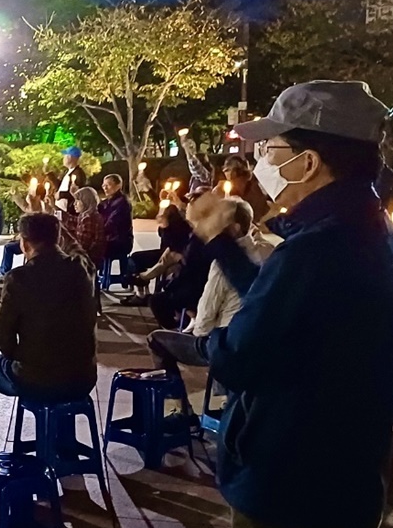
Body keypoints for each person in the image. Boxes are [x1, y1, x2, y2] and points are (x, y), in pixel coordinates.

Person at [186, 80, 393, 528]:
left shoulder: (316, 250)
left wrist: (210, 336)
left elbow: (241, 355)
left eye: (274, 149)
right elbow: (289, 314)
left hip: (288, 491)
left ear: (309, 161)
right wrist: (225, 245)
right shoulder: (369, 233)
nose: (265, 162)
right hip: (347, 483)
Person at [0, 213, 96, 457]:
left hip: (37, 378)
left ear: (24, 243)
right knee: (61, 360)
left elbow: (4, 337)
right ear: (57, 238)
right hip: (83, 377)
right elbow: (79, 251)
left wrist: (19, 358)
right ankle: (65, 447)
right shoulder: (82, 269)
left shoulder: (19, 278)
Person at [146, 197, 271, 409]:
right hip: (257, 343)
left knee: (156, 340)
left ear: (233, 228)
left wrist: (192, 332)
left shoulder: (224, 264)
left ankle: (180, 410)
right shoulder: (267, 250)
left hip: (228, 345)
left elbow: (204, 320)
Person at [61, 186, 107, 269]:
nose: (74, 204)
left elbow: (82, 245)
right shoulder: (86, 215)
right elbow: (72, 220)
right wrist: (53, 207)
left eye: (77, 201)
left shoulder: (89, 218)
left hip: (89, 258)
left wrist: (65, 235)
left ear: (86, 201)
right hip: (88, 255)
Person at [223, 154, 272, 222]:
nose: (225, 173)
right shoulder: (227, 189)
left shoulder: (256, 187)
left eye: (226, 170)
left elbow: (262, 209)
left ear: (234, 172)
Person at [97, 174, 134, 262]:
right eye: (103, 185)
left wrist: (97, 232)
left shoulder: (122, 203)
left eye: (108, 185)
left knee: (90, 247)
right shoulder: (106, 202)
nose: (105, 188)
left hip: (119, 242)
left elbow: (111, 225)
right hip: (110, 239)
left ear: (118, 186)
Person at [57, 146, 89, 216]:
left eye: (65, 156)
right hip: (61, 209)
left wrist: (61, 194)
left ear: (70, 157)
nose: (63, 158)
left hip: (68, 211)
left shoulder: (78, 173)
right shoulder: (68, 172)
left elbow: (76, 192)